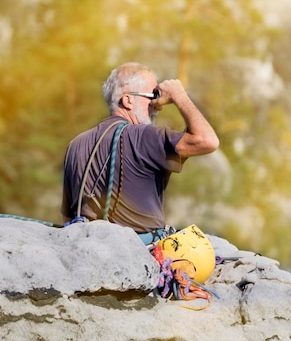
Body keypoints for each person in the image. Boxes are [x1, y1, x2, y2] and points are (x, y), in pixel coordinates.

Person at [60, 62, 219, 244]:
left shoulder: (75, 145)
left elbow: (68, 216)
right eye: (152, 96)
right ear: (128, 100)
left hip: (86, 246)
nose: (157, 106)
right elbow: (207, 141)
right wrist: (178, 95)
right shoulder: (144, 137)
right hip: (138, 253)